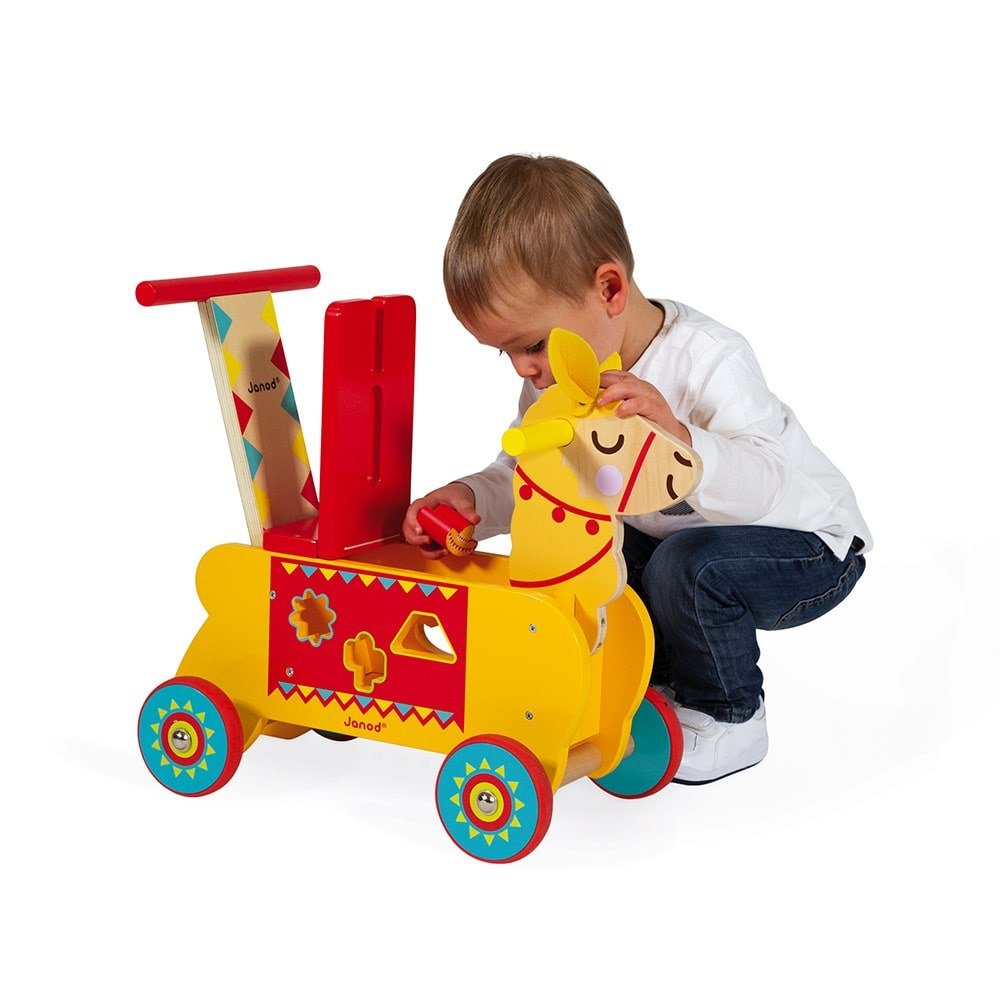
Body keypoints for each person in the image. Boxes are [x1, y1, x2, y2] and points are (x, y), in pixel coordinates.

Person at [402, 154, 871, 784]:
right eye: (505, 353)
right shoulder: (555, 387)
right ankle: (649, 696)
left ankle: (730, 716)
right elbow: (538, 482)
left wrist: (683, 441)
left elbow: (769, 482)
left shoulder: (709, 358)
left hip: (809, 543)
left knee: (687, 566)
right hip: (681, 542)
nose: (523, 369)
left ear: (610, 290)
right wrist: (473, 501)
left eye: (533, 345)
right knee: (603, 560)